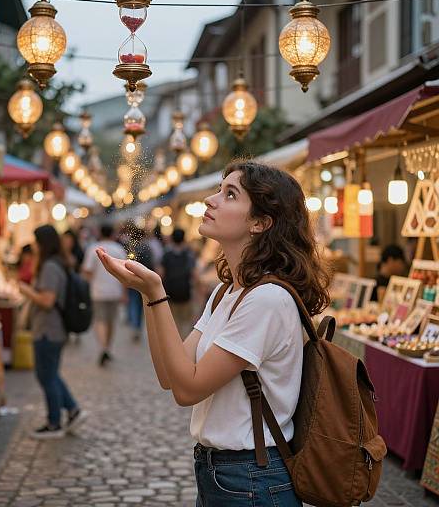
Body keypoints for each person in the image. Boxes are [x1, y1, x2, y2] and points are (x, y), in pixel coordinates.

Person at [97, 161, 330, 506]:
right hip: (218, 472)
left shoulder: (268, 299)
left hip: (252, 477)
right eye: (219, 189)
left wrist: (157, 290)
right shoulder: (229, 292)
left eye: (230, 194)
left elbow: (187, 390)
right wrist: (148, 294)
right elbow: (170, 375)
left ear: (260, 223)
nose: (211, 199)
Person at [19, 225, 86, 439]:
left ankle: (54, 422)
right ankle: (73, 410)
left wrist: (26, 290)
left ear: (43, 244)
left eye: (36, 242)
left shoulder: (49, 266)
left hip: (49, 329)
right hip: (53, 329)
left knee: (46, 376)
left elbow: (47, 301)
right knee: (50, 374)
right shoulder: (58, 263)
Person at [82, 224, 127, 366]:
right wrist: (124, 292)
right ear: (112, 233)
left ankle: (103, 347)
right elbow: (126, 273)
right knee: (111, 321)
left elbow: (87, 272)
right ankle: (108, 347)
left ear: (100, 233)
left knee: (100, 320)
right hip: (115, 291)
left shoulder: (93, 249)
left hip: (98, 291)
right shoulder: (119, 249)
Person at [159, 228, 196, 338]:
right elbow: (194, 274)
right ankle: (183, 342)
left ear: (172, 239)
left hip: (170, 293)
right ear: (184, 239)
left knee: (173, 321)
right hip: (185, 292)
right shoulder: (189, 255)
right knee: (185, 321)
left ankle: (175, 342)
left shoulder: (166, 255)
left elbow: (160, 273)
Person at [125, 227, 154, 342]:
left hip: (132, 279)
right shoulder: (147, 248)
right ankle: (139, 326)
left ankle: (135, 326)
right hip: (145, 280)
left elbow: (127, 264)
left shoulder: (132, 248)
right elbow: (152, 263)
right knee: (143, 304)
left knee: (133, 304)